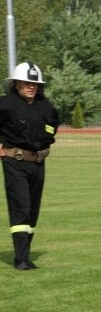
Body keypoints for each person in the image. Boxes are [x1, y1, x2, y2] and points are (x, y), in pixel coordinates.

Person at [0, 62, 60, 270]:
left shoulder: (45, 105)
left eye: (34, 83)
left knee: (32, 211)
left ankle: (25, 252)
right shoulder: (5, 104)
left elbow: (53, 124)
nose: (31, 86)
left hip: (38, 162)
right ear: (16, 84)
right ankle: (21, 259)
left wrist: (47, 138)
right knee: (21, 207)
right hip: (14, 162)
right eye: (26, 82)